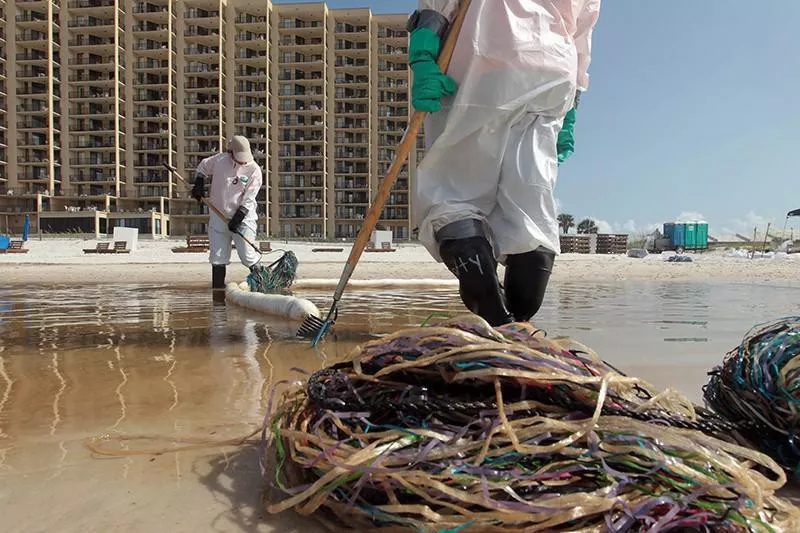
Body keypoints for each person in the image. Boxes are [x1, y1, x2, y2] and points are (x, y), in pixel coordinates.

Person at [408, 0, 601, 326]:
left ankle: (494, 314)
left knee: (455, 192)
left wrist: (423, 54)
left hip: (485, 55)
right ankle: (520, 316)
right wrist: (573, 109)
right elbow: (582, 31)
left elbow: (437, 8)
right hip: (554, 70)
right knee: (530, 193)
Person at [191, 135, 263, 290]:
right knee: (218, 257)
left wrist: (238, 217)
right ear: (231, 152)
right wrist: (199, 182)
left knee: (247, 255)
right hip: (218, 216)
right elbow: (203, 167)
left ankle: (263, 284)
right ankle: (218, 296)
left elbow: (249, 199)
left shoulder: (254, 170)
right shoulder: (220, 161)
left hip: (243, 219)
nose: (242, 161)